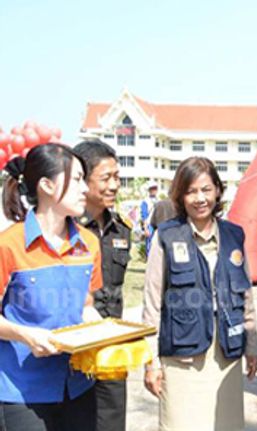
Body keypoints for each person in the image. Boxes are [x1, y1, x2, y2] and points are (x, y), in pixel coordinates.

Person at [142, 157, 257, 431]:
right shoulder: (166, 237)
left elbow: (245, 296)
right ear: (180, 196)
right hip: (181, 361)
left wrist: (251, 345)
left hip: (225, 357)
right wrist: (151, 363)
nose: (200, 198)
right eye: (191, 191)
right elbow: (151, 305)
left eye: (206, 189)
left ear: (218, 190)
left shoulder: (233, 236)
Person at [0, 143, 103, 430]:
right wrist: (25, 335)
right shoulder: (8, 245)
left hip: (79, 385)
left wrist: (99, 327)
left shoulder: (89, 244)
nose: (85, 189)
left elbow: (86, 303)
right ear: (46, 185)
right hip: (23, 391)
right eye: (78, 179)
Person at [74, 140, 131, 431]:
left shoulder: (122, 230)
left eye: (117, 177)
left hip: (111, 348)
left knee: (111, 423)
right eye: (106, 178)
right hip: (73, 352)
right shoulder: (65, 228)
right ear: (82, 179)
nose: (114, 185)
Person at [140, 181, 159, 258]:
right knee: (149, 245)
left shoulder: (158, 200)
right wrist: (145, 228)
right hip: (149, 225)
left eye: (155, 188)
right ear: (149, 190)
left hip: (157, 225)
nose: (154, 190)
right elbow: (144, 216)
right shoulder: (145, 201)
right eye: (152, 189)